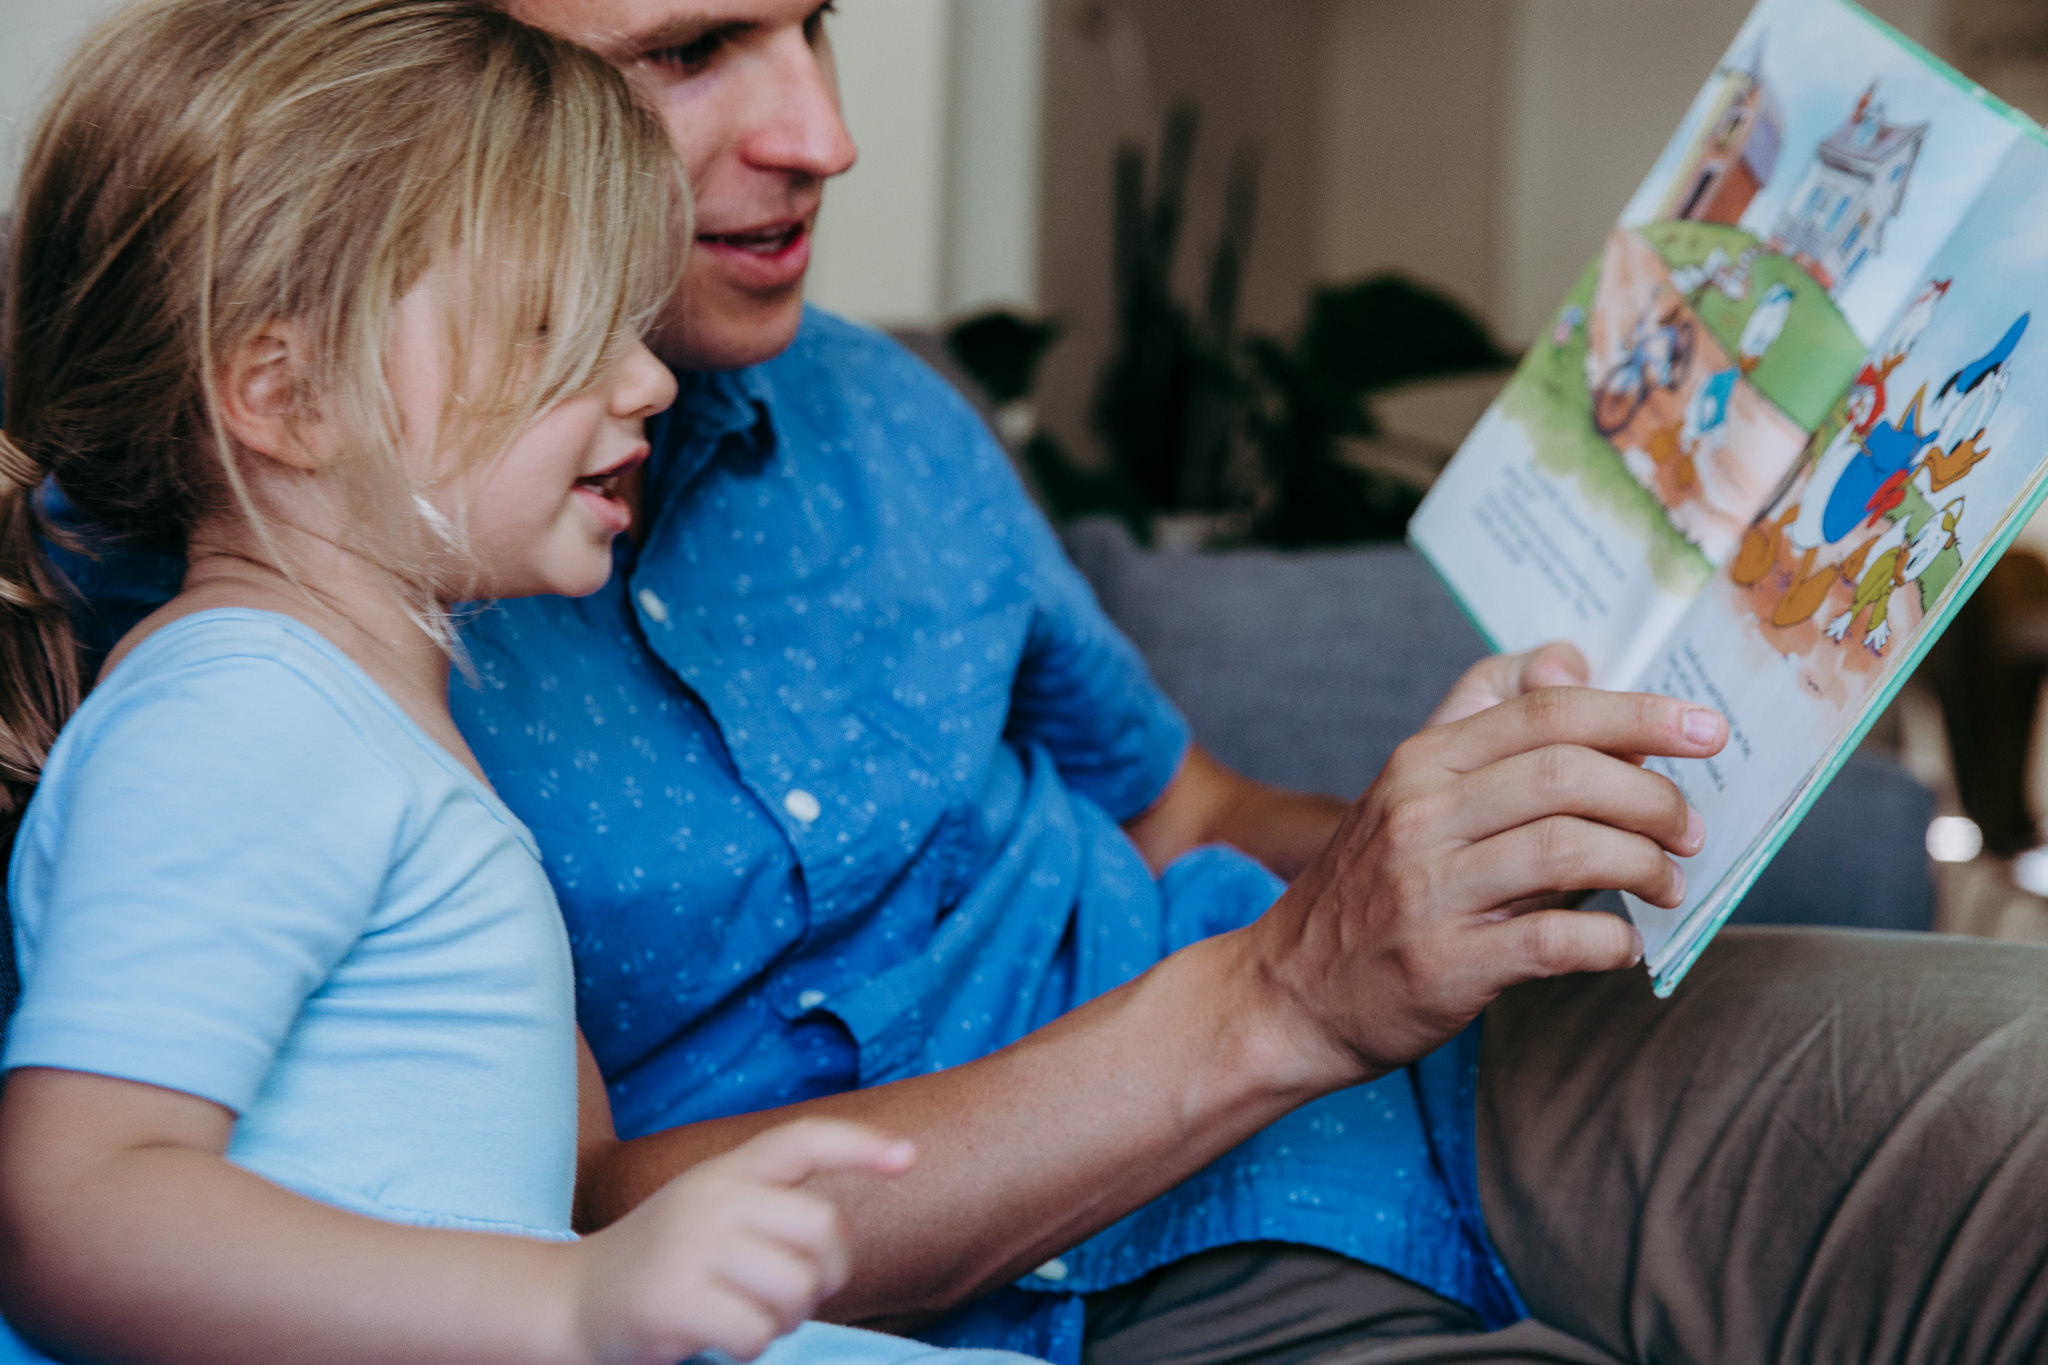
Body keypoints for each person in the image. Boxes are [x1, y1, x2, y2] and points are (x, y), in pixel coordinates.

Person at [43, 1, 2048, 1361]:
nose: (822, 131)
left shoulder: (881, 411)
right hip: (1100, 1265)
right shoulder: (279, 650)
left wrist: (1481, 839)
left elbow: (1178, 814)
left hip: (1434, 1069)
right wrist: (1277, 999)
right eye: (687, 48)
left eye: (816, 21)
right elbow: (537, 1221)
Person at [0, 6, 1043, 1365]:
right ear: (287, 391)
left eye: (624, 317)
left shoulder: (361, 708)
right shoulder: (239, 714)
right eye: (552, 324)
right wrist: (573, 1303)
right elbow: (72, 1212)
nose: (646, 378)